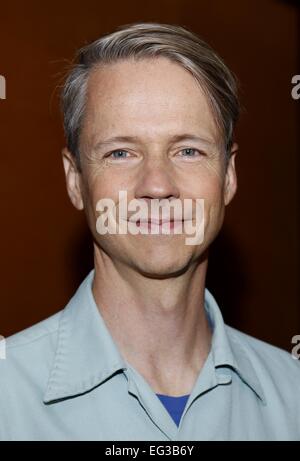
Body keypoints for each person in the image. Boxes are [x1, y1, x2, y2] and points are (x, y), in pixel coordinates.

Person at [1, 22, 299, 441]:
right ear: (74, 180)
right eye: (121, 152)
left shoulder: (292, 394)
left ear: (229, 175)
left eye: (188, 150)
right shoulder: (7, 393)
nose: (157, 185)